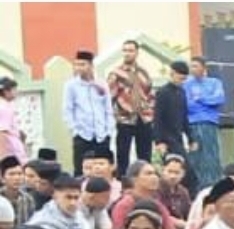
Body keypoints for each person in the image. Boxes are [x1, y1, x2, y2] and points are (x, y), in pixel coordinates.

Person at [108, 40, 154, 176]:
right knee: (123, 156)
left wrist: (151, 112)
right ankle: (123, 185)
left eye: (130, 50)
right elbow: (110, 96)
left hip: (144, 118)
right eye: (125, 50)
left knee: (145, 157)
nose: (127, 54)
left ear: (137, 52)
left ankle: (144, 181)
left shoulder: (144, 73)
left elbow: (150, 94)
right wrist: (115, 115)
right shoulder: (116, 73)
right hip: (125, 119)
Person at [63, 51, 115, 173]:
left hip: (101, 135)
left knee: (103, 170)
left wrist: (108, 132)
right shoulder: (71, 86)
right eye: (77, 65)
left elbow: (108, 109)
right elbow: (68, 110)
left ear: (91, 66)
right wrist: (75, 130)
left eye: (83, 64)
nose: (79, 68)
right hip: (82, 135)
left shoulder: (102, 84)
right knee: (81, 171)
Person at [183, 56, 224, 190]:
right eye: (191, 66)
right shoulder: (186, 84)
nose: (192, 69)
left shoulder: (214, 83)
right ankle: (197, 187)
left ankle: (214, 185)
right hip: (193, 124)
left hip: (210, 123)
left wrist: (200, 99)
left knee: (211, 156)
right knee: (196, 157)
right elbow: (188, 105)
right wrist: (206, 103)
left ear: (203, 68)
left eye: (195, 66)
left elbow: (218, 99)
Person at [153, 60, 191, 165]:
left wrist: (190, 138)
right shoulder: (163, 92)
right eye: (180, 79)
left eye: (184, 79)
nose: (182, 82)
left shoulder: (182, 92)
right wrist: (159, 141)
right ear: (172, 74)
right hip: (166, 138)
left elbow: (184, 117)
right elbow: (157, 118)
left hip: (178, 137)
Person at [0, 77, 28, 165]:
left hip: (13, 147)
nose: (16, 92)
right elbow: (2, 133)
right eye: (14, 89)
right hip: (10, 151)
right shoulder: (3, 107)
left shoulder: (8, 105)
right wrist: (3, 157)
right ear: (6, 91)